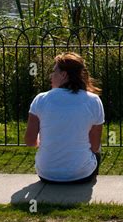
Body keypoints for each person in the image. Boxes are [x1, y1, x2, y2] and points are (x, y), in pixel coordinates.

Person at [25, 52, 104, 183]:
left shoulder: (40, 99)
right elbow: (94, 146)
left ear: (64, 75)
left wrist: (44, 139)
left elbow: (30, 141)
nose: (51, 76)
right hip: (82, 175)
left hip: (46, 174)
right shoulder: (94, 101)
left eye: (54, 72)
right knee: (98, 148)